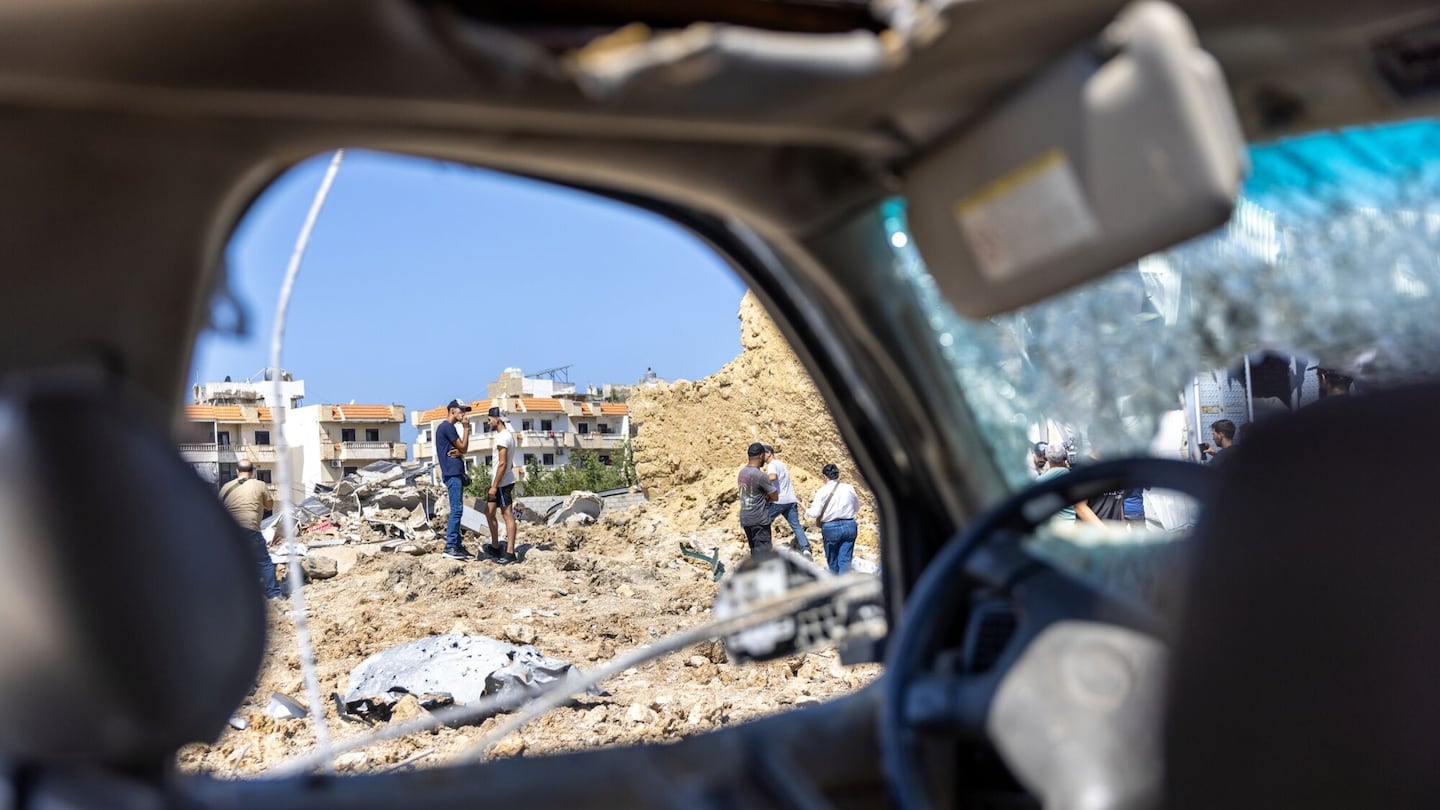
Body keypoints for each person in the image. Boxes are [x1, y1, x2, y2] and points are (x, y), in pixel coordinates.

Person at [219, 460, 282, 599]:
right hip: (250, 528)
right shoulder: (259, 485)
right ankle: (274, 594)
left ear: (237, 471)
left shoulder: (225, 487)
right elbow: (270, 506)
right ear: (252, 472)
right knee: (264, 561)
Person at [435, 398, 474, 561]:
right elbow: (463, 446)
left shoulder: (447, 428)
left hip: (454, 473)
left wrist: (461, 453)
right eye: (461, 410)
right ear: (452, 411)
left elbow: (460, 449)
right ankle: (450, 546)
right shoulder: (447, 427)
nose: (463, 414)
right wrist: (466, 428)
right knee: (457, 509)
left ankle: (456, 545)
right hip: (452, 474)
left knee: (458, 509)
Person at [481, 406, 521, 565]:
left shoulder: (503, 437)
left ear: (498, 419)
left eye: (490, 418)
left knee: (507, 515)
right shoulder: (507, 436)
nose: (488, 421)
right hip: (498, 482)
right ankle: (495, 546)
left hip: (502, 483)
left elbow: (503, 463)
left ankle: (510, 552)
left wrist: (494, 486)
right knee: (488, 512)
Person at [805, 463, 861, 574]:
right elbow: (857, 507)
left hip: (830, 528)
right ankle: (846, 585)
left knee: (833, 562)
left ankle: (836, 585)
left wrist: (806, 509)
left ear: (825, 476)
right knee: (845, 560)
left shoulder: (822, 491)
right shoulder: (849, 488)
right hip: (849, 525)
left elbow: (815, 513)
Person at [762, 444, 811, 557]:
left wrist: (761, 483)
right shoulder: (782, 464)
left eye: (762, 454)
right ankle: (806, 549)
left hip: (778, 501)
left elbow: (773, 477)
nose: (761, 457)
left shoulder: (772, 465)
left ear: (769, 453)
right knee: (796, 526)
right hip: (791, 500)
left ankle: (765, 551)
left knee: (763, 522)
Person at [1036, 444, 1103, 525]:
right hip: (1074, 526)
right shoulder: (1074, 476)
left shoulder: (1039, 481)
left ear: (1046, 458)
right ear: (1065, 457)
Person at [738, 442, 780, 554]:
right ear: (761, 456)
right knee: (764, 556)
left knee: (755, 553)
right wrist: (767, 497)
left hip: (746, 519)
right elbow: (775, 496)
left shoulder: (742, 472)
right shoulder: (760, 475)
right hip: (759, 520)